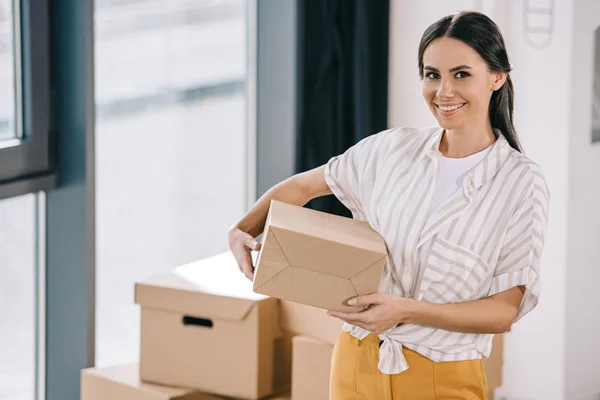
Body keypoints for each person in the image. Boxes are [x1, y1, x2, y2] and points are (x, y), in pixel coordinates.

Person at [228, 11, 550, 400]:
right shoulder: (392, 149)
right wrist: (243, 228)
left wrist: (406, 310)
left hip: (442, 379)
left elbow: (503, 312)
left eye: (461, 74)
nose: (444, 91)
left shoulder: (520, 183)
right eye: (432, 75)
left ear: (497, 77)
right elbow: (303, 187)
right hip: (356, 363)